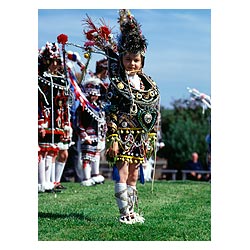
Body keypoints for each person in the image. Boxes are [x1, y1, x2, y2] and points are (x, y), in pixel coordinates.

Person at [83, 9, 160, 224]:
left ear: (142, 61)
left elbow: (151, 111)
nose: (132, 63)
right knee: (123, 173)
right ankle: (124, 213)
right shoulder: (117, 83)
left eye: (136, 60)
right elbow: (111, 111)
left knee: (135, 175)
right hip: (123, 134)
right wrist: (114, 138)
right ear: (122, 60)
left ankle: (133, 211)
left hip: (139, 136)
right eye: (128, 59)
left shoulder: (148, 84)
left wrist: (151, 135)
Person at [38, 42, 73, 192]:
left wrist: (66, 123)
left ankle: (50, 182)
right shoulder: (40, 78)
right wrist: (40, 121)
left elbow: (64, 103)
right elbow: (39, 101)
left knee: (53, 150)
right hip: (45, 118)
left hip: (57, 119)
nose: (55, 65)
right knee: (42, 150)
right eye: (53, 61)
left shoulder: (60, 79)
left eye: (58, 61)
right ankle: (41, 182)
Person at [77, 69, 107, 186]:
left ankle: (95, 174)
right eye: (91, 94)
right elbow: (79, 123)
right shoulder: (83, 107)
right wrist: (84, 135)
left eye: (96, 95)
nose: (94, 97)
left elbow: (102, 122)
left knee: (96, 155)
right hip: (88, 136)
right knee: (86, 157)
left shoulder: (99, 107)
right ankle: (86, 177)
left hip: (98, 136)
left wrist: (103, 135)